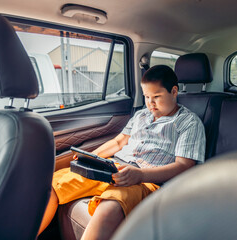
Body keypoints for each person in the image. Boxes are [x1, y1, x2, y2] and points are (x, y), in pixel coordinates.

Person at [38, 65, 206, 239]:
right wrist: (91, 156)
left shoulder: (189, 123)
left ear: (174, 91)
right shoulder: (141, 116)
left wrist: (140, 175)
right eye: (147, 97)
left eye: (157, 97)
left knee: (110, 205)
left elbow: (184, 166)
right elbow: (119, 142)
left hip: (146, 180)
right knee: (51, 185)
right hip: (113, 167)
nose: (150, 103)